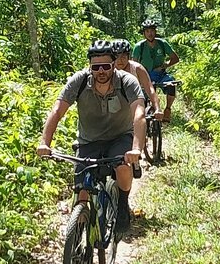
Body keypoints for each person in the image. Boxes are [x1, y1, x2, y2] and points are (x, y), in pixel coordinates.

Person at [37, 40, 146, 232]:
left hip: (120, 136)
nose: (101, 71)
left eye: (106, 66)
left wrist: (136, 148)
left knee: (122, 167)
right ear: (90, 66)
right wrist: (45, 143)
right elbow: (57, 111)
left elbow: (139, 114)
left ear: (114, 64)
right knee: (82, 191)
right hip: (89, 140)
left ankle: (122, 204)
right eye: (96, 67)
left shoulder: (126, 81)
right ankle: (78, 237)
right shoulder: (79, 81)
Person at [132, 19, 180, 122]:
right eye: (147, 31)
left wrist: (165, 65)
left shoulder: (162, 44)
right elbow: (133, 65)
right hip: (144, 76)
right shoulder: (139, 47)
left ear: (155, 31)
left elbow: (175, 58)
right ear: (144, 33)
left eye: (152, 31)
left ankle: (167, 110)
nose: (150, 33)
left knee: (171, 85)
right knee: (141, 99)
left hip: (160, 74)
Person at [112, 39, 164, 120]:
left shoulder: (137, 68)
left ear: (129, 57)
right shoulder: (108, 69)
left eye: (123, 56)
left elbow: (150, 89)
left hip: (136, 99)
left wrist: (157, 108)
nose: (120, 60)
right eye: (116, 57)